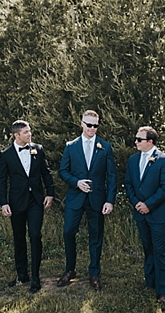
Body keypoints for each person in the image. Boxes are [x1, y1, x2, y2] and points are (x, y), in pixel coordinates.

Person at [57, 109, 117, 291]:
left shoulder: (105, 147)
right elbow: (63, 171)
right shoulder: (71, 146)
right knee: (68, 232)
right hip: (76, 198)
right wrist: (76, 182)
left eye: (95, 126)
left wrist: (110, 200)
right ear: (82, 124)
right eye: (89, 125)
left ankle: (94, 273)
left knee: (96, 236)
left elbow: (112, 176)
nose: (92, 128)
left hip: (98, 199)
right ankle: (70, 269)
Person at [0, 120, 55, 293]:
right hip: (16, 203)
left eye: (30, 131)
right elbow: (1, 182)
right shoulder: (6, 154)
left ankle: (36, 277)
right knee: (18, 237)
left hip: (36, 200)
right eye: (26, 132)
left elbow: (46, 172)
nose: (29, 134)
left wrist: (50, 193)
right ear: (16, 135)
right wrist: (4, 203)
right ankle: (22, 274)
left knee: (35, 235)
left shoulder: (38, 149)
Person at [124, 126, 165, 304]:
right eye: (136, 139)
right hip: (140, 213)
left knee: (161, 251)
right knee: (148, 249)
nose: (136, 142)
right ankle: (150, 282)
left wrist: (148, 205)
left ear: (150, 142)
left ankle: (163, 290)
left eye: (139, 139)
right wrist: (137, 203)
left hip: (158, 214)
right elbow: (129, 183)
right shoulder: (133, 159)